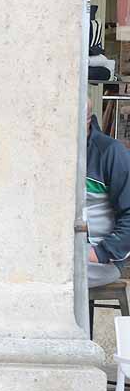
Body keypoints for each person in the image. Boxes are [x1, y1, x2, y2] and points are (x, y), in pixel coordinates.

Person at [86, 107, 130, 287]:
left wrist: (101, 252)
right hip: (58, 251)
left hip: (100, 257)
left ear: (87, 119)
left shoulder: (111, 152)